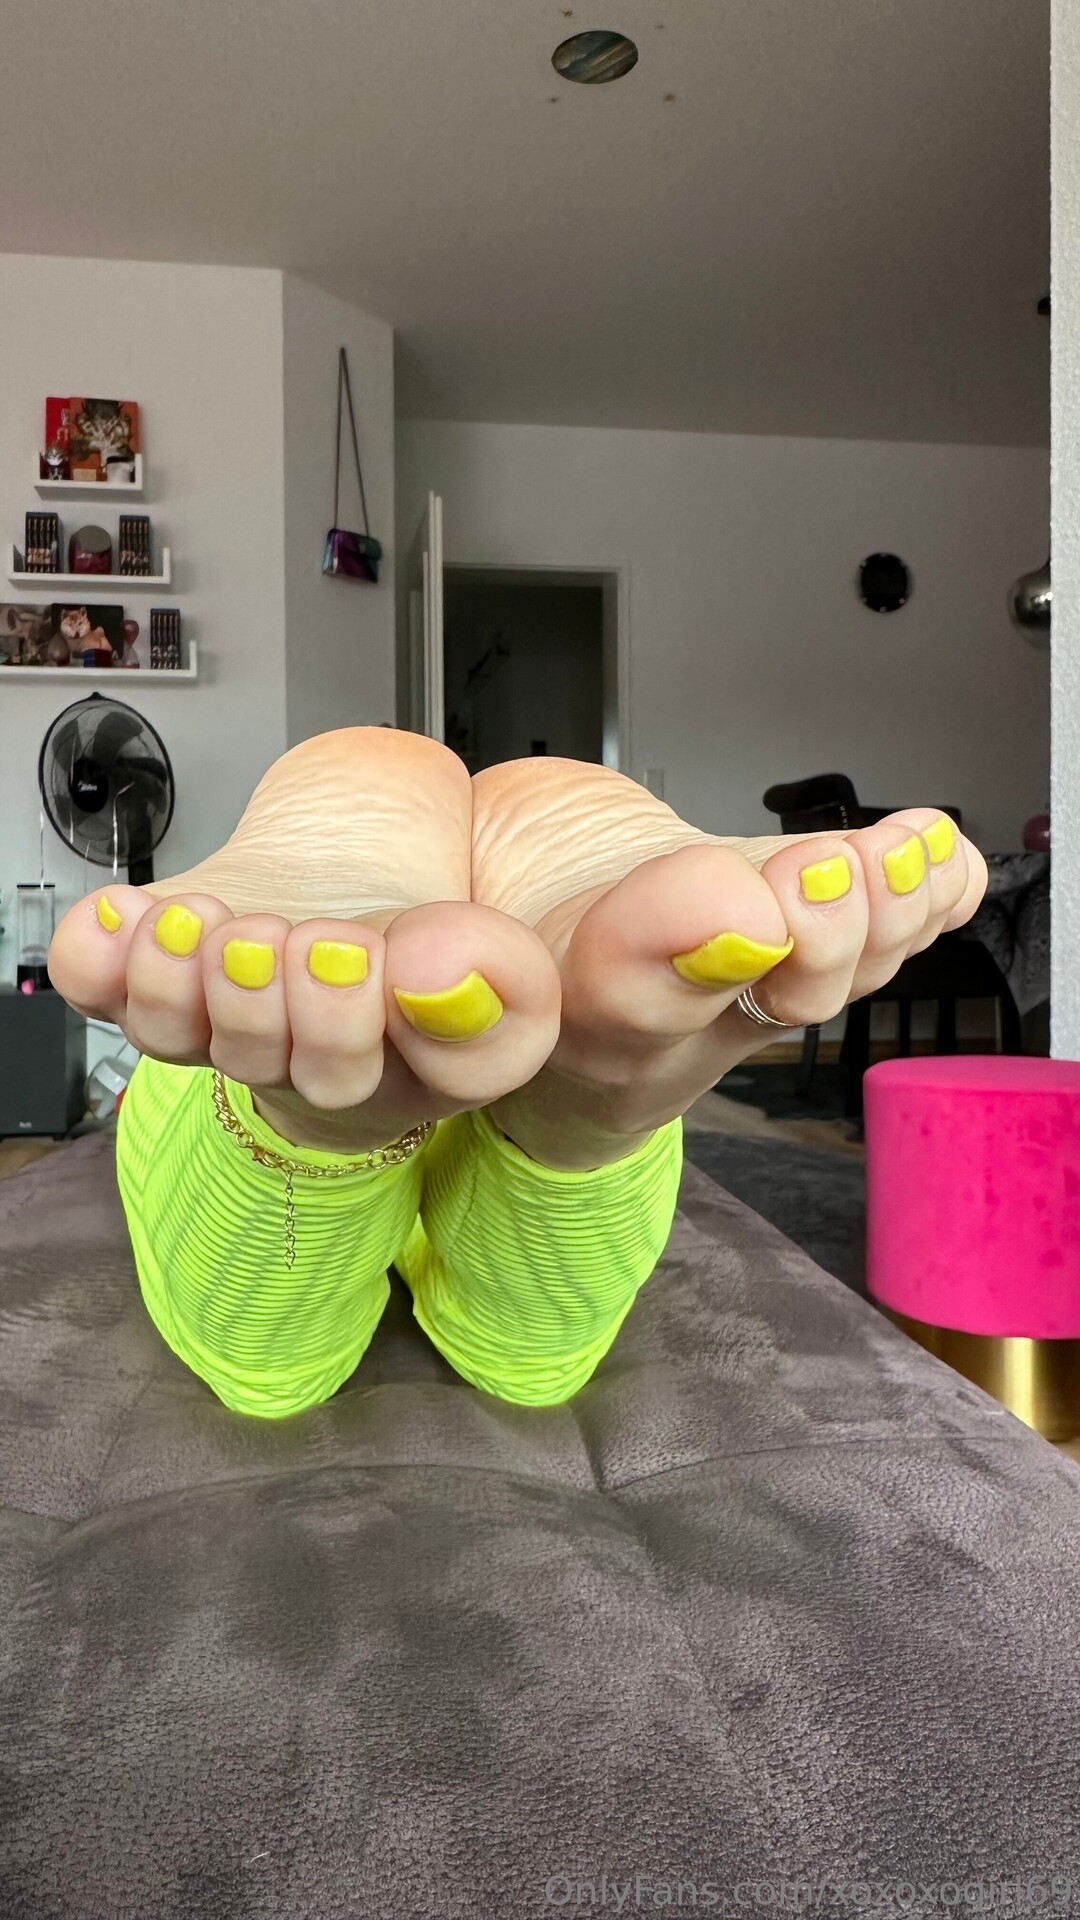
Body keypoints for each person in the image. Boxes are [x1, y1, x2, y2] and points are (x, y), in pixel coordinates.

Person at [48, 728, 986, 1417]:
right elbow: (527, 1377)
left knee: (270, 1365)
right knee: (528, 1362)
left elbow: (264, 1381)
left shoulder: (228, 973)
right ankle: (575, 1115)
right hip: (469, 1054)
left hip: (255, 1016)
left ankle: (316, 1098)